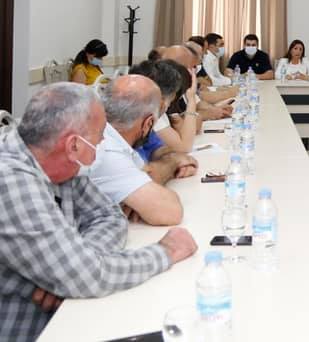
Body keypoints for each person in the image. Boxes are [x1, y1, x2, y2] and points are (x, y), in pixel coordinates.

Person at [0, 83, 197, 341]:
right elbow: (87, 277)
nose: (103, 142)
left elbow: (108, 215)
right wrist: (166, 252)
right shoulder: (10, 179)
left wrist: (74, 262)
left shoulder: (58, 158)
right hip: (33, 331)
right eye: (100, 135)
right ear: (73, 145)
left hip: (69, 315)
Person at [89, 75, 197, 226]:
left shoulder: (111, 135)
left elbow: (149, 174)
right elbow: (170, 212)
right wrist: (174, 163)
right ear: (148, 123)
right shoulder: (106, 149)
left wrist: (136, 195)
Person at [129, 59, 197, 156]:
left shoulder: (147, 112)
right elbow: (184, 147)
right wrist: (191, 99)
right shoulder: (150, 113)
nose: (169, 104)